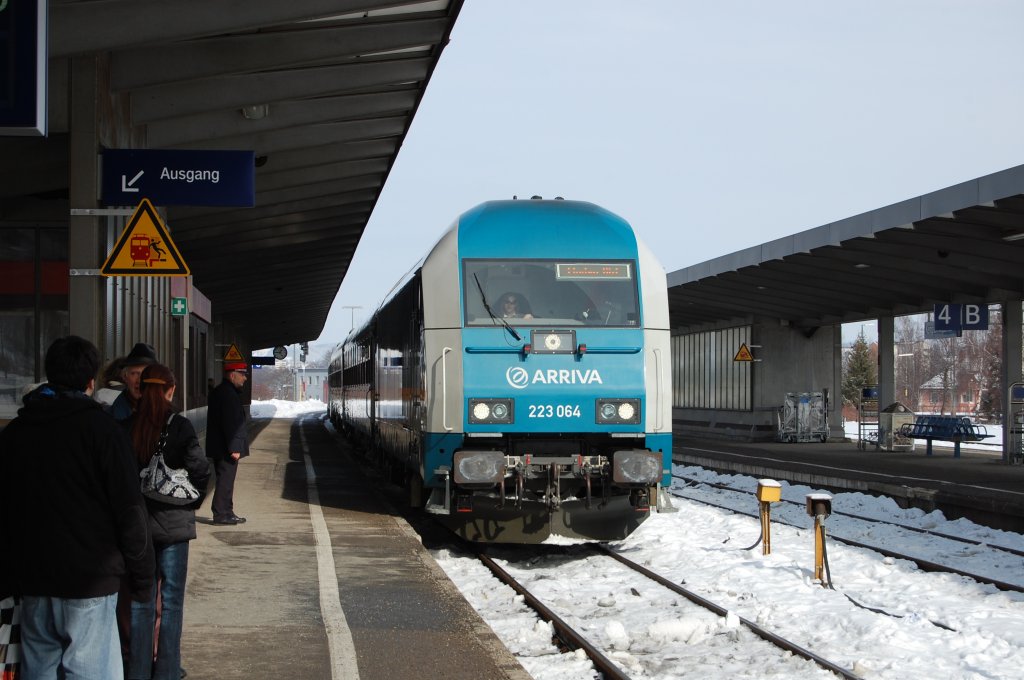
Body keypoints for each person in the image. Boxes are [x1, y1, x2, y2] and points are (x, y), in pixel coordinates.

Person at [0, 335, 154, 680]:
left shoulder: (16, 433)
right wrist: (143, 577)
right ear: (90, 381)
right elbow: (130, 509)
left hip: (34, 580)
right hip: (90, 581)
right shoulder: (104, 432)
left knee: (39, 671)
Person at [126, 364, 210, 680]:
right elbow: (200, 470)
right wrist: (190, 502)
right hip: (174, 525)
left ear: (142, 388)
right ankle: (167, 671)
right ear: (170, 390)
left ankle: (137, 672)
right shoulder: (181, 426)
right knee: (172, 602)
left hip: (138, 527)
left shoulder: (126, 426)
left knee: (142, 601)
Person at [206, 361, 250, 525]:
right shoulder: (227, 394)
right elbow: (231, 424)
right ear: (232, 375)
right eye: (242, 374)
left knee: (226, 480)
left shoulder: (224, 391)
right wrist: (234, 447)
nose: (245, 378)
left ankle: (227, 511)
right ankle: (221, 514)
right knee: (225, 480)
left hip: (221, 445)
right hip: (225, 447)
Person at [111, 343, 158, 421]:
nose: (139, 380)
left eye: (146, 374)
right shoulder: (111, 417)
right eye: (134, 374)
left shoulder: (168, 415)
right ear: (125, 377)